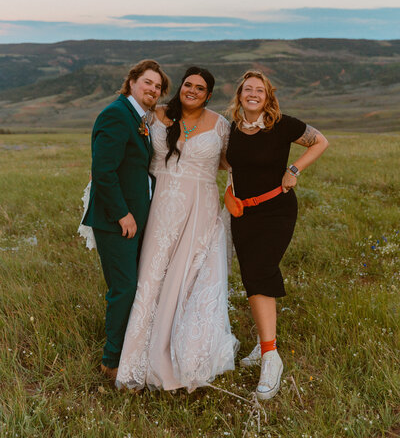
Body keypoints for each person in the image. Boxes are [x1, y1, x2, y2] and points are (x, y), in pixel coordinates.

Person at [116, 67, 238, 392]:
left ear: (209, 94)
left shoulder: (220, 125)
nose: (193, 90)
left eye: (200, 88)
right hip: (159, 206)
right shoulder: (155, 117)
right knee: (152, 276)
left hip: (200, 209)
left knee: (187, 278)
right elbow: (129, 147)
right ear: (180, 87)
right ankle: (136, 361)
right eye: (188, 84)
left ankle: (184, 358)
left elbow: (232, 163)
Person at [225, 70, 329, 401]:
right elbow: (227, 164)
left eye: (260, 90)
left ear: (268, 97)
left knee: (260, 273)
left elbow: (320, 141)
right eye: (248, 89)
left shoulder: (282, 124)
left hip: (276, 211)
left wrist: (294, 169)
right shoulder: (232, 129)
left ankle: (271, 358)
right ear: (240, 95)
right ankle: (262, 342)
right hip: (242, 214)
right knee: (252, 277)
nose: (253, 94)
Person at [81, 60, 170, 380]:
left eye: (158, 87)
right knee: (124, 288)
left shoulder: (138, 117)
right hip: (115, 220)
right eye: (147, 82)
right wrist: (122, 214)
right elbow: (103, 171)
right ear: (131, 82)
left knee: (133, 286)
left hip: (134, 218)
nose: (153, 90)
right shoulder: (116, 114)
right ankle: (111, 362)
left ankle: (131, 351)